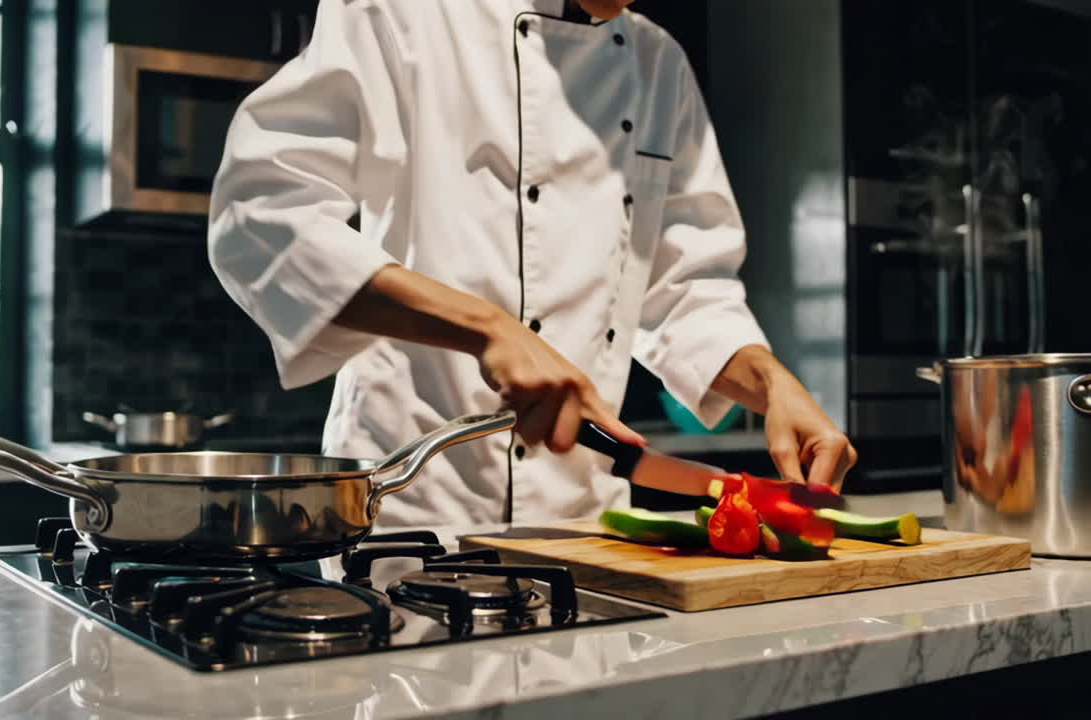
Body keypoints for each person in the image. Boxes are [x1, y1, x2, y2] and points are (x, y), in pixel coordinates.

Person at [208, 0, 857, 527]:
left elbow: (685, 287)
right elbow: (260, 216)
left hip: (585, 525)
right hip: (414, 511)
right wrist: (488, 329)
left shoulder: (658, 64)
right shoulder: (400, 14)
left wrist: (772, 384)